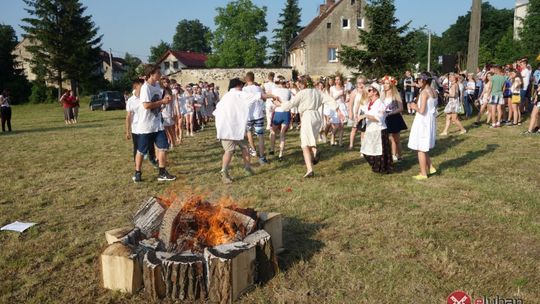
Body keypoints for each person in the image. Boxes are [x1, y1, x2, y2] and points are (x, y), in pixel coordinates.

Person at [213, 78, 279, 184]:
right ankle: (223, 172)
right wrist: (273, 96)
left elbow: (216, 111)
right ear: (238, 86)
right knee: (230, 150)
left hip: (231, 128)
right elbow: (260, 96)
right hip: (229, 128)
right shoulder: (239, 94)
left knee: (245, 147)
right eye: (242, 85)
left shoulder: (226, 96)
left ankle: (247, 168)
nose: (243, 87)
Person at [280, 76, 338, 178]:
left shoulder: (302, 93)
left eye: (299, 84)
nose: (298, 85)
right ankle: (312, 160)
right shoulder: (317, 92)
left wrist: (279, 105)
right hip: (317, 117)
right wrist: (338, 110)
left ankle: (310, 167)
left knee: (304, 144)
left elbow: (291, 104)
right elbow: (329, 100)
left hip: (308, 116)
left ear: (302, 84)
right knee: (309, 140)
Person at [132, 64, 176, 183]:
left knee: (163, 147)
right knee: (141, 151)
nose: (160, 75)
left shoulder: (157, 85)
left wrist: (165, 101)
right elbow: (146, 105)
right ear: (151, 74)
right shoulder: (145, 88)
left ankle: (162, 173)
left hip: (157, 124)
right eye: (158, 73)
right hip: (146, 126)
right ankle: (137, 172)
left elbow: (158, 101)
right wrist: (162, 101)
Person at [407, 72, 438, 180]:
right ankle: (430, 166)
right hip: (429, 120)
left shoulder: (424, 92)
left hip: (423, 122)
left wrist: (414, 106)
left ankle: (423, 173)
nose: (417, 82)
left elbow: (421, 110)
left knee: (420, 147)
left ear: (424, 81)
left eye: (418, 80)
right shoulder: (433, 91)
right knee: (423, 146)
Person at [359, 83, 392, 174]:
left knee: (379, 151)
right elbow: (361, 103)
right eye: (368, 90)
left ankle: (382, 168)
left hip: (379, 130)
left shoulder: (380, 103)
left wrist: (365, 116)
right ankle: (377, 166)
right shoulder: (369, 103)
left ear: (375, 92)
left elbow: (379, 118)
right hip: (370, 130)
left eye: (370, 90)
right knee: (366, 150)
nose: (368, 92)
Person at [125, 78, 157, 166]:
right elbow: (128, 116)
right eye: (141, 85)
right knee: (137, 146)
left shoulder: (147, 97)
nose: (143, 87)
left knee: (150, 144)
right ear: (135, 86)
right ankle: (137, 165)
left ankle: (153, 159)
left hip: (147, 125)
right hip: (136, 128)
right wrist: (128, 131)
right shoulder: (130, 100)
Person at [244, 72, 269, 164]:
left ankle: (253, 150)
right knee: (260, 136)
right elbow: (264, 98)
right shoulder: (258, 88)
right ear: (253, 79)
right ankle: (262, 157)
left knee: (249, 132)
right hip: (258, 114)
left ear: (246, 80)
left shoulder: (244, 90)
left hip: (249, 115)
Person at [381, 75, 407, 161]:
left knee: (396, 139)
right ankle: (392, 155)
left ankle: (399, 155)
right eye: (384, 83)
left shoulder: (396, 94)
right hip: (385, 118)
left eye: (387, 83)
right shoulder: (382, 95)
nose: (385, 85)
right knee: (389, 138)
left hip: (394, 117)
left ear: (391, 85)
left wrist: (391, 112)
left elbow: (401, 108)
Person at [269, 76, 292, 161]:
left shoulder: (274, 90)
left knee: (272, 131)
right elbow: (288, 101)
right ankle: (280, 154)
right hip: (286, 113)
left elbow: (273, 101)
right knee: (282, 135)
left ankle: (272, 149)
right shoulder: (288, 91)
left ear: (278, 83)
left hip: (278, 112)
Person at [349, 76, 368, 150]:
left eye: (362, 82)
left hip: (364, 112)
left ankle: (363, 146)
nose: (360, 84)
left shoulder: (367, 91)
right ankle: (351, 144)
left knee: (363, 130)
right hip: (355, 112)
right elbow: (350, 103)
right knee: (354, 129)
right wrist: (350, 113)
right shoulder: (354, 92)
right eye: (358, 83)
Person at [330, 74, 347, 146]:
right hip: (335, 107)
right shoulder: (332, 88)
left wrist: (343, 96)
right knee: (336, 126)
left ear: (341, 80)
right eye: (336, 79)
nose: (337, 81)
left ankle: (340, 142)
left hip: (342, 106)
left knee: (342, 125)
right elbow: (331, 99)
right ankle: (332, 137)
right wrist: (338, 95)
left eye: (338, 79)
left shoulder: (343, 88)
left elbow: (344, 99)